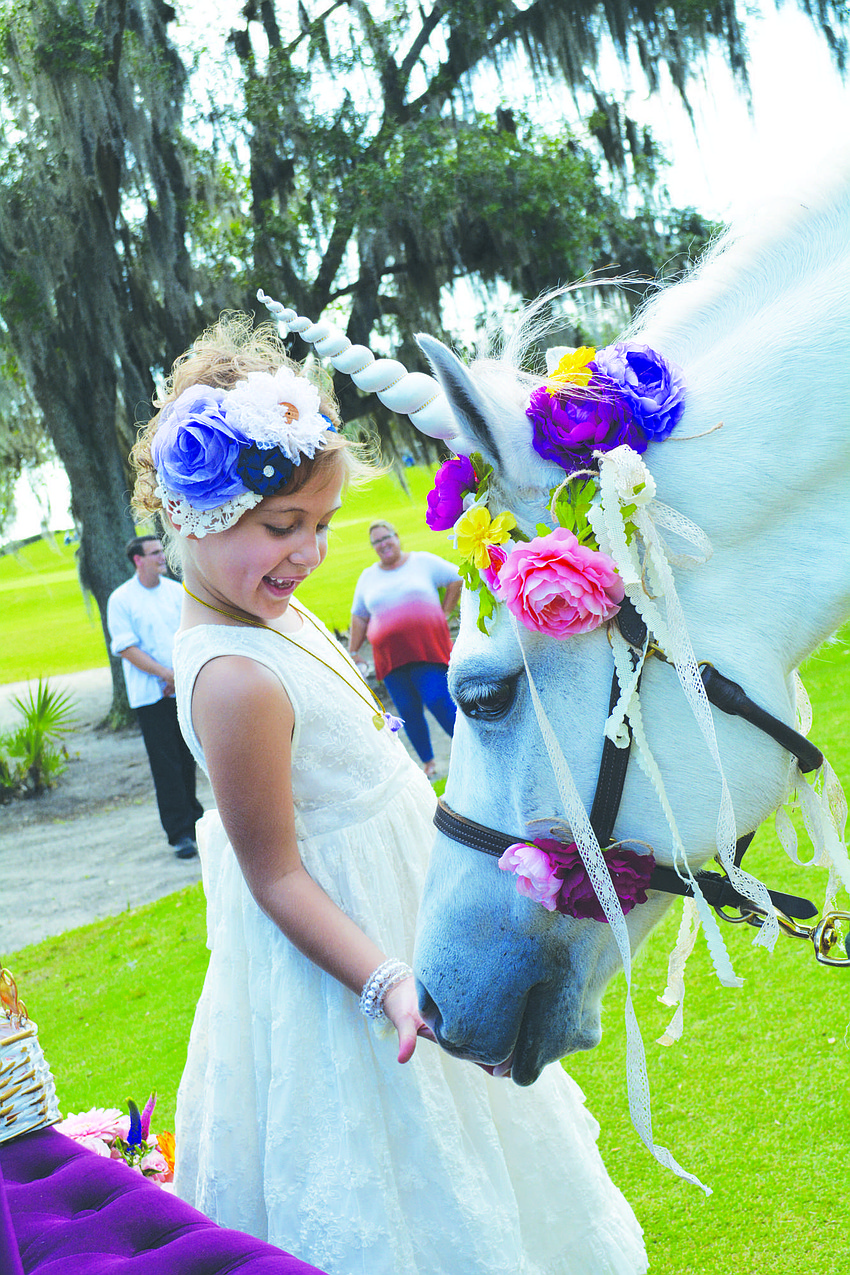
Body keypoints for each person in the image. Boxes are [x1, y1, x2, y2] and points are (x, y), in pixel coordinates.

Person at [128, 311, 647, 1275]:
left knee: (479, 1150)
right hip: (349, 954)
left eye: (319, 525)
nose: (310, 552)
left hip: (407, 895)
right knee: (396, 1169)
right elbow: (277, 875)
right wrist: (385, 978)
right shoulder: (230, 675)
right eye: (282, 527)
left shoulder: (267, 614)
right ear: (193, 512)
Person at [106, 534, 203, 859]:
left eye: (162, 551)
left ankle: (196, 821)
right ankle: (179, 834)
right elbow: (126, 647)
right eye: (155, 553)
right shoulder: (122, 599)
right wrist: (165, 675)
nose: (163, 556)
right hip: (151, 697)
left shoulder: (176, 592)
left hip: (183, 690)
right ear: (138, 560)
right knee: (166, 766)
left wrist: (180, 676)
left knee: (188, 760)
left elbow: (190, 634)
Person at [349, 521, 461, 779]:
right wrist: (354, 649)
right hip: (390, 658)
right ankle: (429, 763)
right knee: (408, 710)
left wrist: (444, 613)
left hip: (426, 649)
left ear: (397, 536)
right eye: (376, 541)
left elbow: (456, 578)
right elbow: (359, 616)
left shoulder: (422, 562)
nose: (382, 544)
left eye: (386, 537)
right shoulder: (368, 576)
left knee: (437, 698)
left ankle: (469, 746)